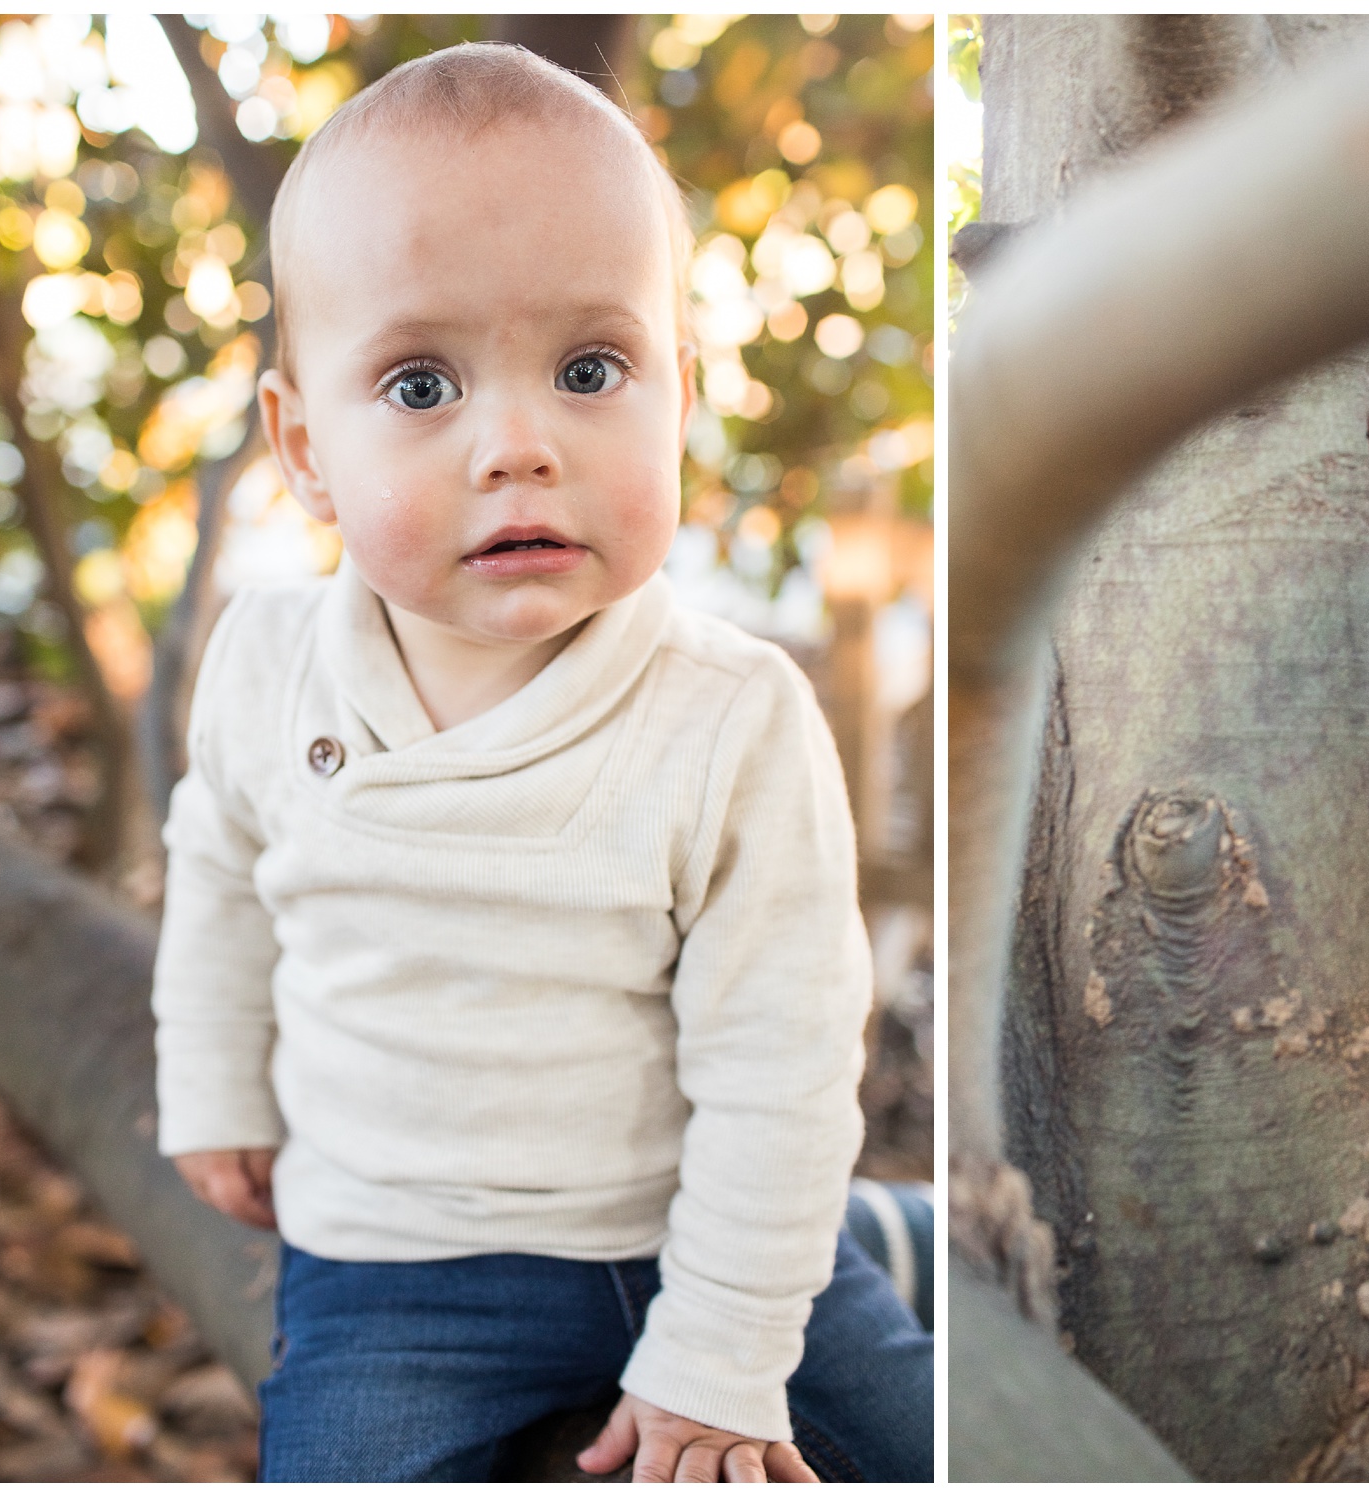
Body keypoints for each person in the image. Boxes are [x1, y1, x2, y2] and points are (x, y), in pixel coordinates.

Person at [149, 43, 930, 1483]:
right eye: (421, 383)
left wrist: (722, 1346)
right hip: (399, 1268)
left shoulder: (731, 716)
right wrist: (210, 1084)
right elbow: (219, 869)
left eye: (589, 369)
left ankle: (889, 1240)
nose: (518, 446)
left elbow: (785, 1054)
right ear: (304, 446)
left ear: (680, 394)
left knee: (943, 1443)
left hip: (709, 1218)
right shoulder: (267, 667)